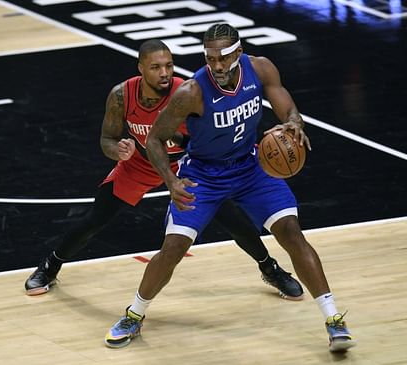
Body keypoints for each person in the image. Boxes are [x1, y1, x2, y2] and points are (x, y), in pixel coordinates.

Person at [104, 26, 356, 353]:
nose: (217, 66)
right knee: (174, 249)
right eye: (210, 59)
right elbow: (154, 138)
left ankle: (333, 319)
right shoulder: (192, 91)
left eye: (223, 58)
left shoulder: (261, 67)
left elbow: (286, 106)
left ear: (238, 53)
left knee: (292, 233)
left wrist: (293, 121)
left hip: (250, 167)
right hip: (204, 176)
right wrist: (171, 180)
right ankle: (134, 314)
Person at [24, 39, 304, 304]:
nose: (165, 73)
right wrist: (118, 150)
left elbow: (208, 139)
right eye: (156, 67)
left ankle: (270, 269)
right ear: (141, 69)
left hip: (185, 165)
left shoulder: (188, 92)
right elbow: (106, 139)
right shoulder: (122, 95)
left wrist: (181, 141)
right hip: (140, 164)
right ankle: (50, 266)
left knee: (231, 218)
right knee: (95, 218)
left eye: (169, 66)